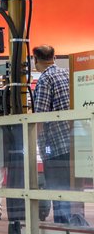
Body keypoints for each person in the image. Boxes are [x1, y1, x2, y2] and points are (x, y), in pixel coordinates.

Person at [32, 45, 72, 224]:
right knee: (71, 189)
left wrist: (31, 144)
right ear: (54, 57)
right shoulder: (67, 74)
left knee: (58, 190)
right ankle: (73, 226)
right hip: (75, 143)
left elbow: (40, 116)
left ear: (35, 60)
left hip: (55, 146)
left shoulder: (45, 79)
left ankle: (62, 228)